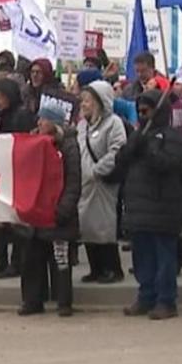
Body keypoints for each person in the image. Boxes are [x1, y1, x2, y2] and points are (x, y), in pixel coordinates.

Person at [115, 89, 182, 320]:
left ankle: (166, 300)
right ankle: (146, 296)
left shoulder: (172, 136)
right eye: (140, 110)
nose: (142, 114)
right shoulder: (138, 134)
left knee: (164, 258)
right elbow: (120, 163)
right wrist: (131, 147)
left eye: (147, 110)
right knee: (142, 257)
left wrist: (148, 149)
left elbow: (169, 164)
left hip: (162, 206)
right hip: (138, 207)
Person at [18, 105, 81, 317]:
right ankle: (32, 300)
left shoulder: (69, 146)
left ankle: (63, 301)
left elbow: (73, 181)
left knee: (60, 260)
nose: (39, 123)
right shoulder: (31, 143)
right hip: (36, 212)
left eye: (44, 119)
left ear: (54, 122)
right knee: (32, 259)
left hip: (58, 213)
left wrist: (64, 209)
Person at [0, 78, 36, 278]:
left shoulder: (21, 115)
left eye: (0, 98)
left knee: (15, 220)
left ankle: (17, 261)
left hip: (17, 172)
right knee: (0, 219)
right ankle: (1, 259)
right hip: (1, 170)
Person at [77, 79, 126, 284]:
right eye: (83, 100)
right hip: (85, 184)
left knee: (103, 226)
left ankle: (112, 268)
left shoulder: (113, 123)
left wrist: (96, 171)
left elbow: (117, 150)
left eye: (87, 100)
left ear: (99, 101)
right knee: (87, 226)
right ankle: (95, 268)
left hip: (102, 182)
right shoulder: (82, 125)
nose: (83, 104)